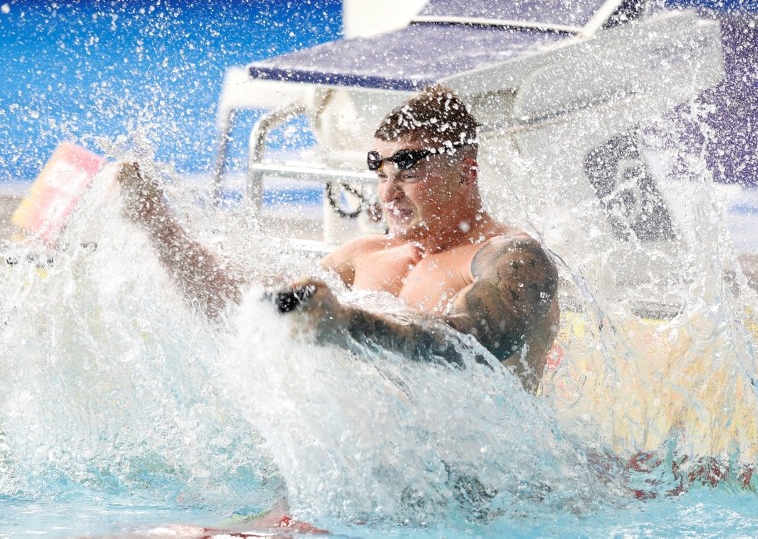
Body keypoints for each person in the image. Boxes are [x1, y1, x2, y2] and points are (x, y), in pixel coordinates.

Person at [117, 85, 560, 391]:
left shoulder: (513, 258)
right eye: (381, 172)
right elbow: (243, 310)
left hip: (483, 495)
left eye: (409, 171)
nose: (388, 191)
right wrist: (160, 229)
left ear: (466, 171)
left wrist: (348, 326)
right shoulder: (363, 256)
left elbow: (477, 343)